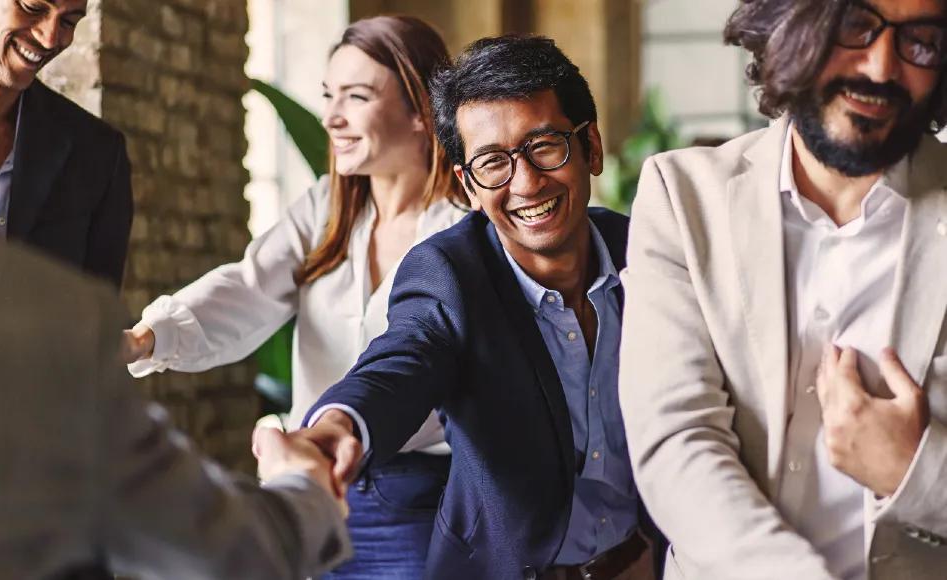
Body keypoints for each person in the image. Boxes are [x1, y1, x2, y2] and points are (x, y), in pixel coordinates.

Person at [0, 2, 349, 578]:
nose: (51, 34)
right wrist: (305, 488)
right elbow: (217, 545)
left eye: (70, 16)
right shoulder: (58, 323)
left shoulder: (92, 154)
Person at [269, 35, 663, 579]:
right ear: (468, 185)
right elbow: (400, 363)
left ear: (590, 145)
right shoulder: (449, 273)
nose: (525, 183)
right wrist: (333, 430)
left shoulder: (649, 252)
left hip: (644, 562)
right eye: (492, 163)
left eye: (545, 146)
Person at [122, 16, 468, 579]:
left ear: (420, 110)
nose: (332, 117)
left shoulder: (465, 229)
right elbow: (248, 287)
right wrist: (145, 338)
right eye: (329, 95)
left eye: (356, 97)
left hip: (422, 506)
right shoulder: (324, 209)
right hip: (314, 493)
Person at [619, 0, 947, 578]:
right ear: (793, 25)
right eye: (854, 26)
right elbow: (675, 441)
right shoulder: (682, 197)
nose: (880, 69)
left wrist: (914, 473)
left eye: (920, 39)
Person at [0, 0, 133, 289]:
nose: (50, 38)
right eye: (33, 7)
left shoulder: (99, 153)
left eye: (69, 22)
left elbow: (99, 321)